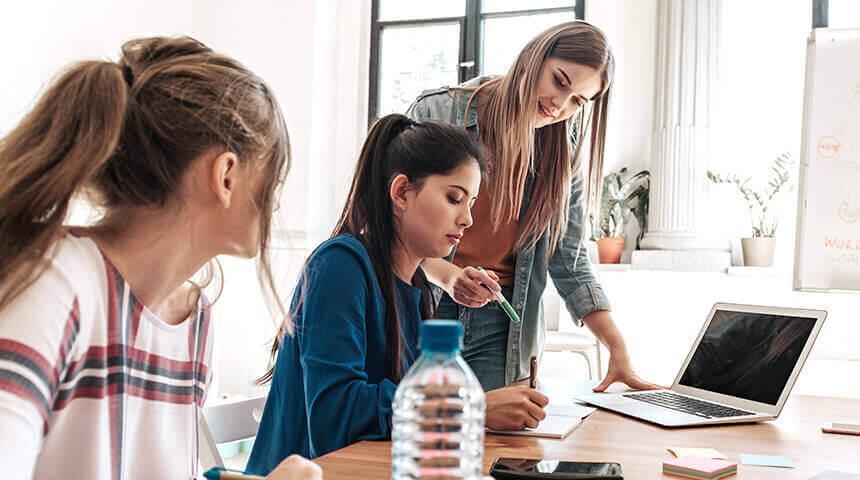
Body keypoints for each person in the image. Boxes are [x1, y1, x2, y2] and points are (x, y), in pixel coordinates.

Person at [0, 36, 320, 480]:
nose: (276, 207)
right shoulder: (56, 283)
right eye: (275, 182)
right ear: (226, 175)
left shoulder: (194, 321)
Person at [406, 21, 660, 405]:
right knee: (411, 438)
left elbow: (569, 259)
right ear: (534, 56)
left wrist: (617, 348)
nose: (561, 106)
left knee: (497, 454)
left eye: (578, 101)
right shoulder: (439, 112)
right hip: (423, 304)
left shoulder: (564, 151)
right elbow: (389, 222)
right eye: (560, 81)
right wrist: (449, 276)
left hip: (504, 321)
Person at [246, 114, 506, 472]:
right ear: (401, 192)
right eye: (454, 198)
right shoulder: (339, 266)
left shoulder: (414, 287)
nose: (467, 219)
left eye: (471, 203)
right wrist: (468, 408)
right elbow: (335, 414)